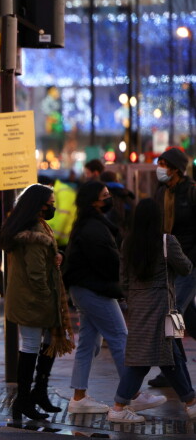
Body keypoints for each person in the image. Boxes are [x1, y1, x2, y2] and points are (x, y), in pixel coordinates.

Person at [62, 181, 162, 414]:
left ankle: (79, 397)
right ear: (94, 201)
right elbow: (108, 263)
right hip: (95, 290)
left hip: (86, 288)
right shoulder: (93, 228)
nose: (110, 199)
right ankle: (132, 394)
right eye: (105, 195)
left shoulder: (90, 224)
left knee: (88, 343)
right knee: (120, 337)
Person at [107, 199, 193, 423]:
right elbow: (185, 267)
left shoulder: (128, 243)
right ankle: (118, 407)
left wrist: (135, 298)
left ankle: (191, 402)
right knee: (145, 359)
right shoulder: (167, 241)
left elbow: (123, 280)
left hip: (139, 306)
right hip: (166, 308)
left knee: (174, 355)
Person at [0, 184, 74, 420]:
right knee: (30, 346)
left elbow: (45, 259)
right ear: (37, 205)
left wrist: (56, 256)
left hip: (33, 298)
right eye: (50, 203)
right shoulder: (33, 234)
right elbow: (36, 274)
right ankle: (23, 400)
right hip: (32, 299)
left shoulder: (38, 226)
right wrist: (45, 299)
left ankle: (38, 392)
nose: (53, 206)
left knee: (47, 342)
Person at [150, 147, 196, 387]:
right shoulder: (161, 193)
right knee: (186, 315)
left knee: (172, 313)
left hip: (188, 264)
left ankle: (173, 368)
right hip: (167, 263)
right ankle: (172, 366)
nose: (160, 168)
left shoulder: (191, 191)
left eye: (164, 164)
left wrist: (190, 259)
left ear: (176, 169)